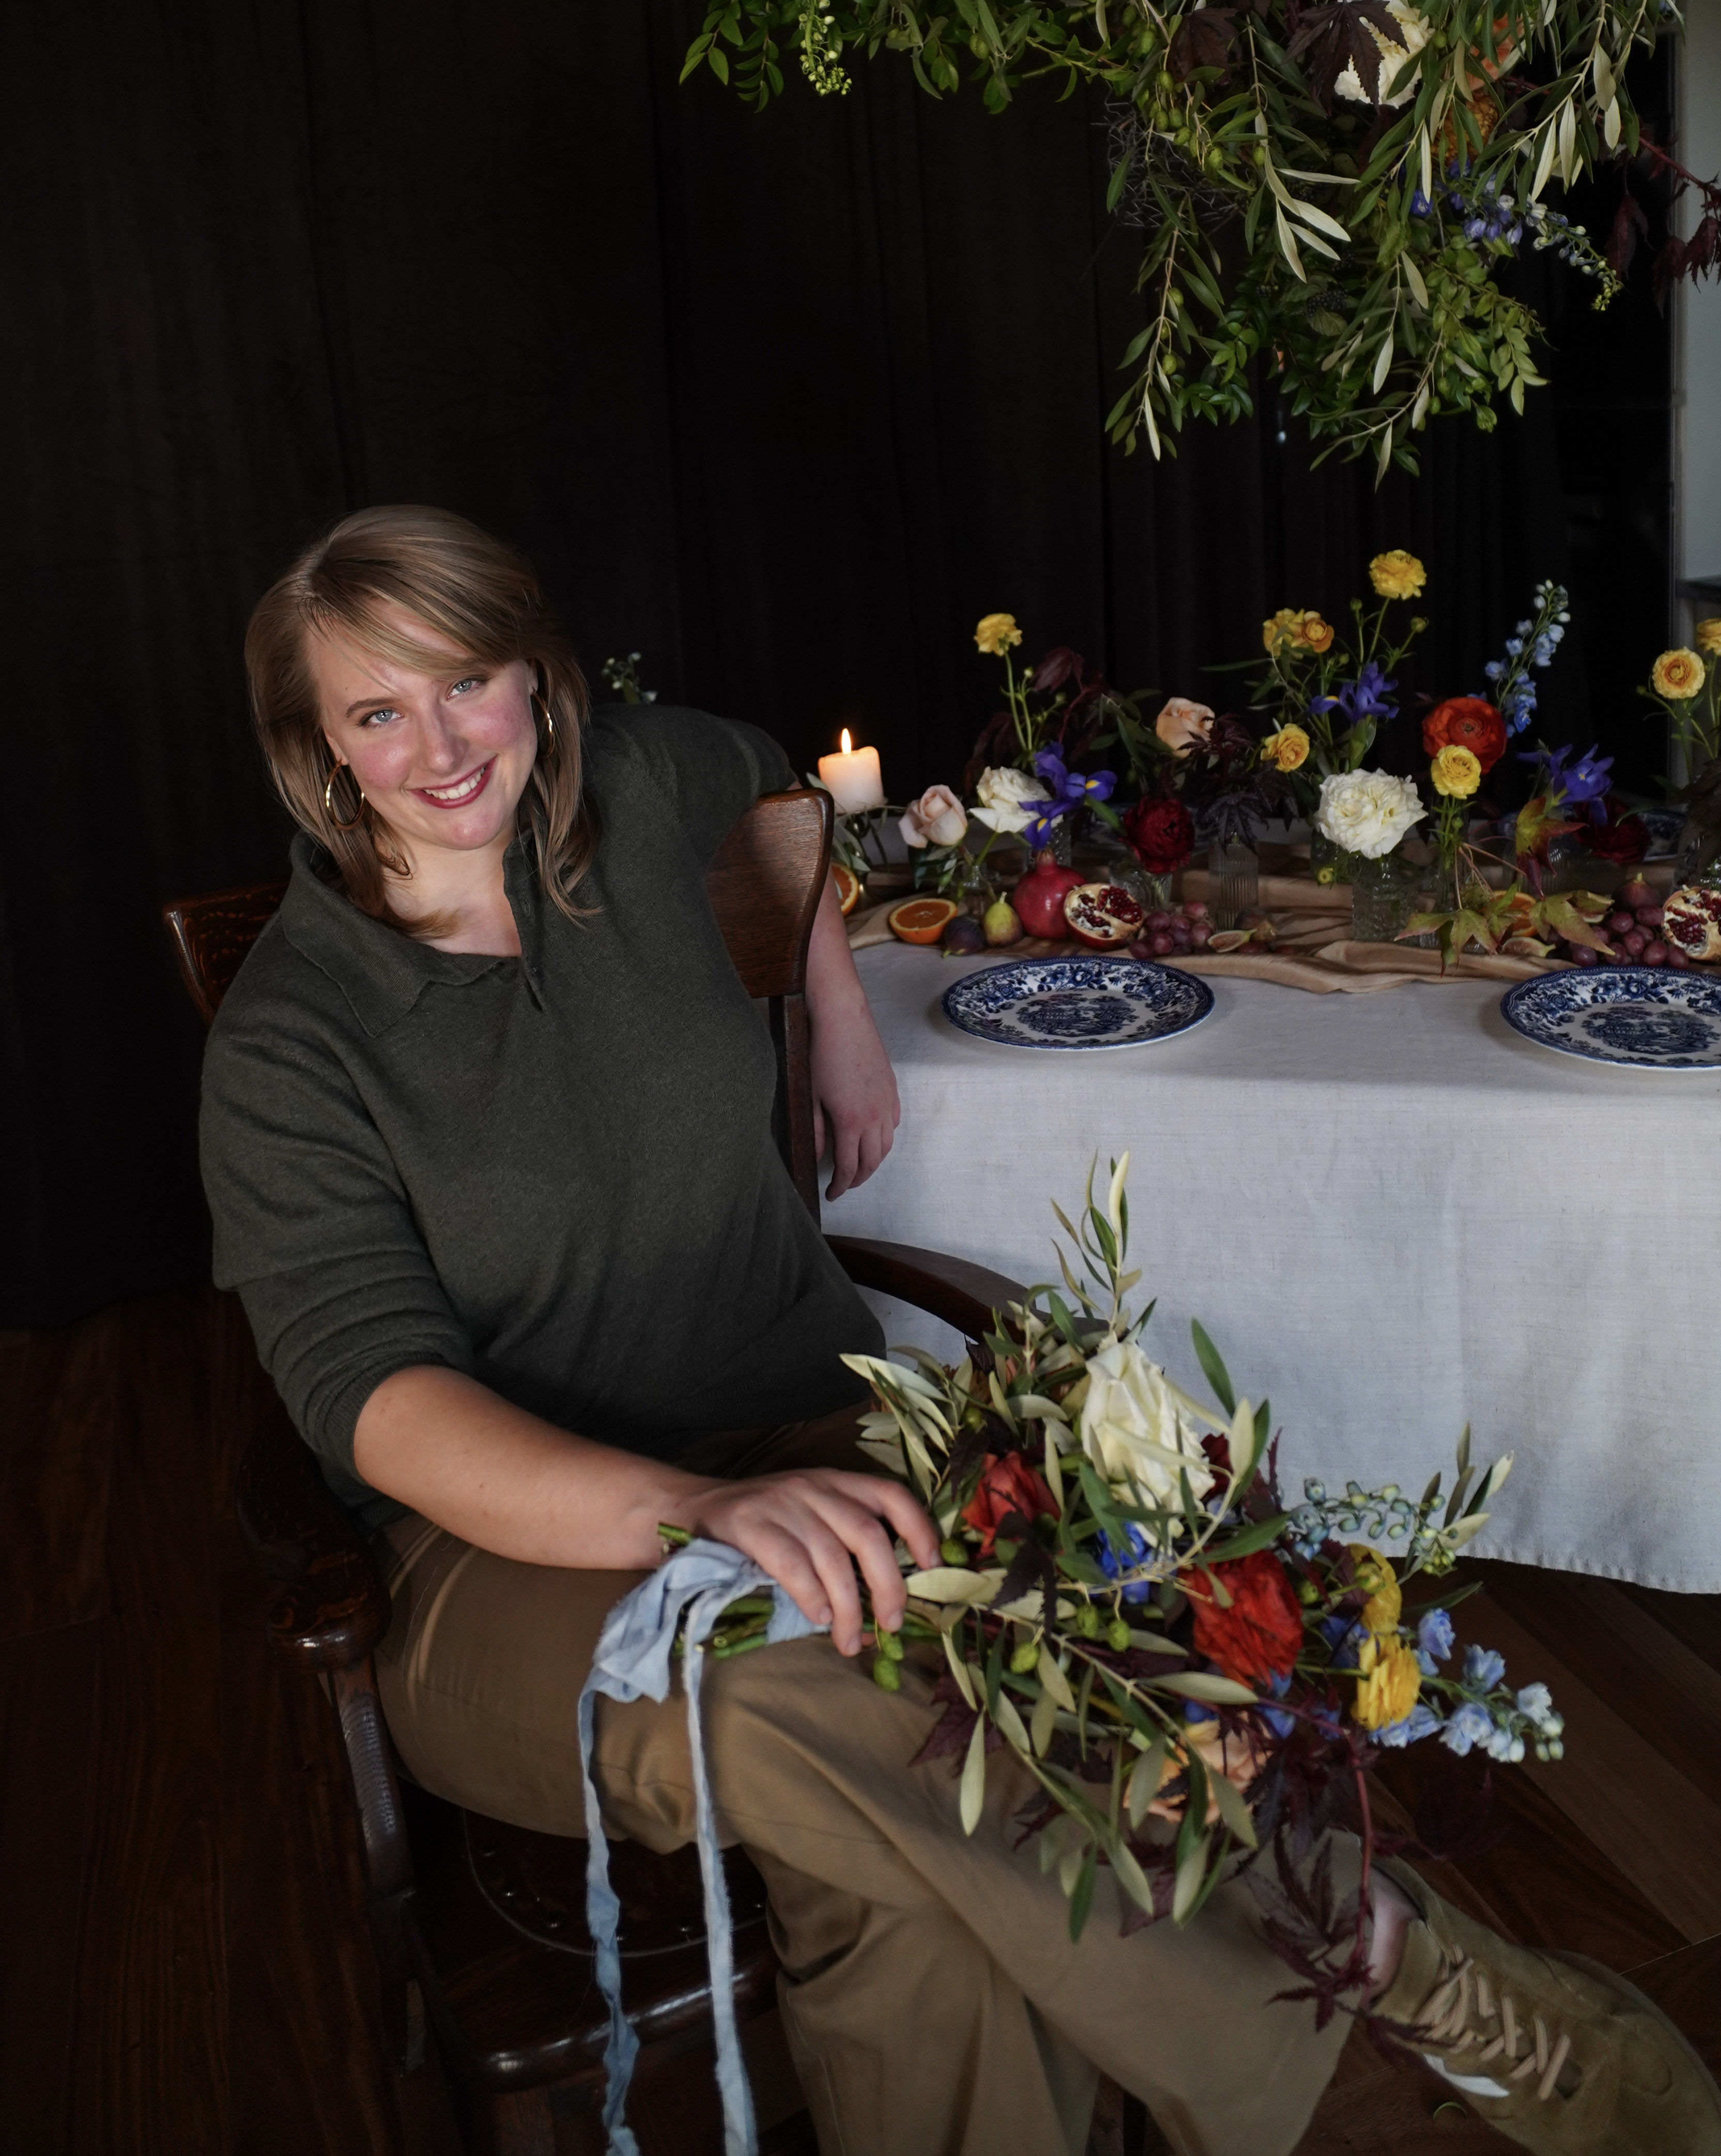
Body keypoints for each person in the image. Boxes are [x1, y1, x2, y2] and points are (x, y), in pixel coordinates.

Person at [202, 506, 1720, 2156]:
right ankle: (1389, 1986)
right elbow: (378, 1397)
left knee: (900, 1871)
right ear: (316, 747)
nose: (441, 751)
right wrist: (697, 1512)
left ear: (534, 679)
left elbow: (774, 790)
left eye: (467, 684)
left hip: (807, 1425)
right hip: (499, 1563)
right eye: (378, 712)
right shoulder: (296, 1038)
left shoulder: (638, 785)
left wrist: (837, 1012)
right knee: (783, 1700)